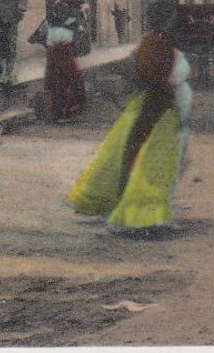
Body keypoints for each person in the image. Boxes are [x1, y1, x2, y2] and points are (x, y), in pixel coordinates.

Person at [67, 26, 192, 232]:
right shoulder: (159, 46)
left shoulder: (154, 43)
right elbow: (162, 79)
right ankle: (143, 215)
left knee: (145, 160)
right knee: (155, 163)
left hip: (161, 108)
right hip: (163, 110)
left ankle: (140, 211)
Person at [41, 4, 88, 122]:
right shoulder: (72, 22)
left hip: (53, 53)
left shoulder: (49, 22)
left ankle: (57, 113)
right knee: (71, 79)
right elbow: (81, 32)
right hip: (65, 52)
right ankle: (68, 111)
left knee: (55, 82)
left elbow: (39, 37)